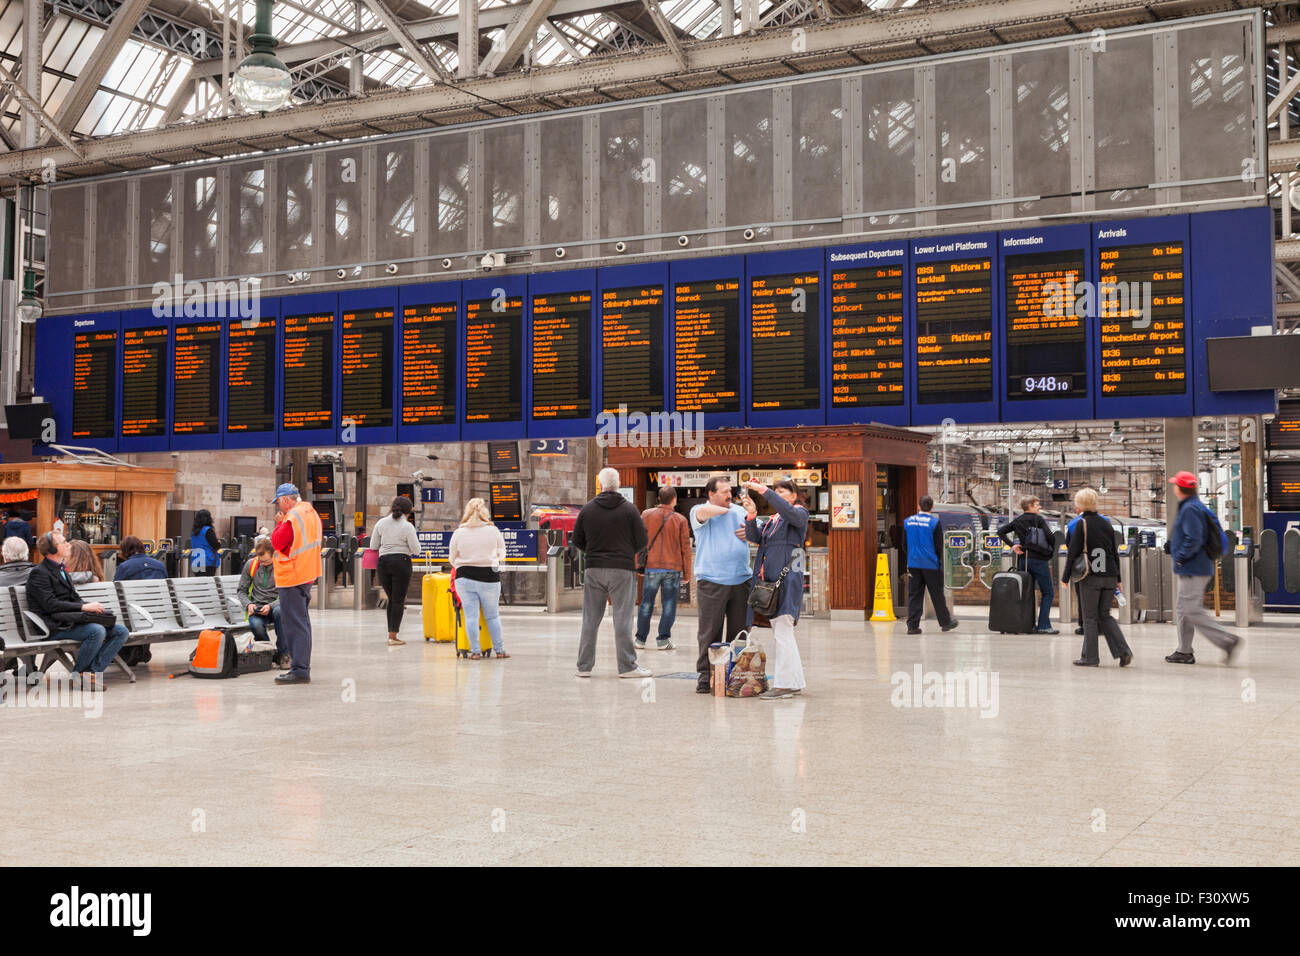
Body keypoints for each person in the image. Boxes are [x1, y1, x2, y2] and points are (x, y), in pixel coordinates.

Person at [572, 467, 650, 679]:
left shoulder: (587, 509)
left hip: (594, 569)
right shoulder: (629, 509)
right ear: (619, 483)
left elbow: (576, 540)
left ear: (600, 484)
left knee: (590, 618)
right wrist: (625, 552)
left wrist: (594, 552)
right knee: (622, 618)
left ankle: (584, 667)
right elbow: (642, 540)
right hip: (622, 570)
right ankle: (627, 667)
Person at [26, 531, 130, 688]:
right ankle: (80, 676)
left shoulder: (62, 570)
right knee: (96, 631)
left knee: (121, 631)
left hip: (69, 621)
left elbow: (74, 598)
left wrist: (91, 609)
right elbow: (50, 605)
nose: (68, 545)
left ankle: (90, 673)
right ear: (53, 550)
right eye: (63, 542)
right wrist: (83, 607)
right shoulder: (39, 573)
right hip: (53, 626)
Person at [741, 478, 809, 700]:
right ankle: (792, 682)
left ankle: (785, 685)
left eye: (783, 491)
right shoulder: (774, 520)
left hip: (787, 581)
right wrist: (751, 514)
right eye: (776, 491)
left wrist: (764, 491)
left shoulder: (798, 513)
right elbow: (755, 538)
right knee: (783, 633)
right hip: (771, 584)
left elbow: (790, 512)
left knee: (783, 632)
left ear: (794, 495)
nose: (778, 495)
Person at [1164, 471, 1241, 665]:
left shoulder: (1190, 508)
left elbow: (1194, 538)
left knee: (1192, 610)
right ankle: (1184, 650)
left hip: (1193, 567)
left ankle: (1227, 640)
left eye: (1175, 485)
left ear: (1180, 489)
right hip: (1195, 566)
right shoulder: (1195, 506)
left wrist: (1180, 556)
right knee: (1183, 609)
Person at [690, 475, 753, 694]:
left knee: (739, 633)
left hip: (741, 581)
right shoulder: (700, 510)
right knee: (710, 633)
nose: (729, 495)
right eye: (724, 492)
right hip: (711, 581)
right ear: (711, 494)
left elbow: (760, 531)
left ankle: (735, 675)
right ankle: (706, 677)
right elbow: (703, 513)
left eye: (730, 491)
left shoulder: (738, 511)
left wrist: (752, 528)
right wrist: (731, 509)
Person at [1061, 487, 1132, 667]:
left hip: (1090, 576)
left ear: (1080, 504)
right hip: (1109, 575)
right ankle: (1123, 651)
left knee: (1090, 617)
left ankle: (1090, 658)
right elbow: (1114, 553)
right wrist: (1119, 579)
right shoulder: (1106, 523)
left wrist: (1064, 577)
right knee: (1105, 615)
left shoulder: (1080, 524)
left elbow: (1072, 552)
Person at [269, 483, 322, 685]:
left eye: (279, 503)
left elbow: (277, 543)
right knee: (302, 623)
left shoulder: (291, 517)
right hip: (307, 573)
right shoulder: (312, 513)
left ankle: (299, 670)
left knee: (294, 625)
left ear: (285, 500)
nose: (279, 508)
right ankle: (302, 667)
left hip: (292, 575)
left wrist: (279, 524)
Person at [449, 497, 509, 660]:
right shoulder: (493, 531)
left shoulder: (459, 532)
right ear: (485, 512)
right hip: (489, 577)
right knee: (492, 616)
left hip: (464, 578)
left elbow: (452, 558)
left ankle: (475, 651)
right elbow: (502, 553)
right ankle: (500, 650)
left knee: (471, 616)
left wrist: (465, 563)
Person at [635, 485, 691, 651]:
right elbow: (685, 548)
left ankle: (640, 640)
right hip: (672, 569)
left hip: (652, 567)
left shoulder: (646, 515)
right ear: (674, 500)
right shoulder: (680, 520)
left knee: (646, 604)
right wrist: (687, 573)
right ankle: (663, 640)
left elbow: (639, 541)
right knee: (668, 605)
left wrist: (638, 565)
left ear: (658, 499)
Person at [997, 496, 1058, 634]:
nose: (1039, 507)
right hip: (1039, 561)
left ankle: (1025, 624)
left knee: (1025, 593)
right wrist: (1049, 550)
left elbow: (1000, 532)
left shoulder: (1018, 520)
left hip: (1023, 560)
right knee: (1048, 592)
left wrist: (1013, 546)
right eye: (1037, 505)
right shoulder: (1038, 519)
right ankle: (1043, 625)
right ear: (1029, 506)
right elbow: (1051, 537)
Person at [369, 496, 422, 646]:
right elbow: (416, 550)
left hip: (383, 563)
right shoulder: (407, 526)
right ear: (408, 512)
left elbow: (373, 546)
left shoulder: (381, 523)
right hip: (401, 563)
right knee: (398, 600)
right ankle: (393, 636)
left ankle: (391, 634)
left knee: (392, 599)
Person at [904, 495, 958, 635]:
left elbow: (903, 544)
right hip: (930, 564)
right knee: (937, 594)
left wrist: (911, 555)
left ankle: (912, 626)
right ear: (932, 507)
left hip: (913, 563)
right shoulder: (934, 523)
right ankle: (946, 623)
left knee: (914, 595)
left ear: (918, 506)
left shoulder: (907, 522)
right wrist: (938, 561)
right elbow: (939, 546)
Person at [237, 537, 287, 668]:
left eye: (266, 561)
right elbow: (241, 590)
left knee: (280, 613)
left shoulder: (281, 566)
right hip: (257, 608)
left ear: (273, 554)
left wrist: (270, 606)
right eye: (261, 561)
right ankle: (270, 653)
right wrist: (248, 604)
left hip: (275, 606)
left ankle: (284, 654)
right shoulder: (251, 565)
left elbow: (286, 594)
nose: (263, 563)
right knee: (256, 626)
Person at [190, 509, 221, 576]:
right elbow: (215, 545)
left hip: (196, 562)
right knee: (207, 584)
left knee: (200, 584)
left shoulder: (194, 532)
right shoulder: (208, 530)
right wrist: (219, 542)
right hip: (207, 562)